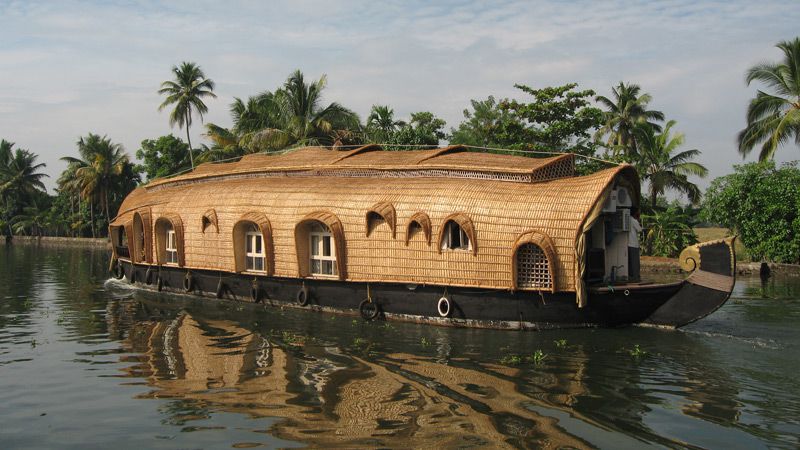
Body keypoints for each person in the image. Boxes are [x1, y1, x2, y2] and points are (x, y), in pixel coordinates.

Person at [628, 213, 641, 281]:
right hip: (633, 244)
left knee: (630, 262)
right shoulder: (634, 221)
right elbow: (640, 229)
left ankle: (631, 276)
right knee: (635, 262)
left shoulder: (628, 219)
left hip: (627, 244)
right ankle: (636, 277)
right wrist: (638, 220)